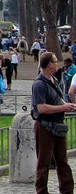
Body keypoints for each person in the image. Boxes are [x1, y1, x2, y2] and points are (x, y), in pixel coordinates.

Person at [32, 52, 75, 194]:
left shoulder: (53, 80)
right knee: (43, 164)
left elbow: (58, 100)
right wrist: (62, 107)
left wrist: (68, 106)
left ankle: (67, 191)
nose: (58, 63)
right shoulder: (39, 84)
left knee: (62, 161)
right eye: (56, 61)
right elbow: (41, 108)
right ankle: (42, 191)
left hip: (58, 127)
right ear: (49, 64)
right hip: (45, 127)